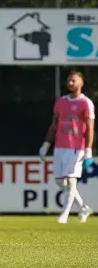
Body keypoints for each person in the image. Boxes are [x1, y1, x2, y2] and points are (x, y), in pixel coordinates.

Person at [39, 71, 95, 224]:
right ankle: (83, 207)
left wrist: (88, 150)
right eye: (69, 80)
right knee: (59, 181)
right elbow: (54, 124)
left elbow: (90, 128)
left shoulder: (86, 103)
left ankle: (63, 216)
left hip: (76, 147)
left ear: (81, 83)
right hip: (60, 146)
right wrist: (46, 144)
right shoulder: (61, 102)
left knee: (71, 181)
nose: (70, 83)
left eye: (74, 81)